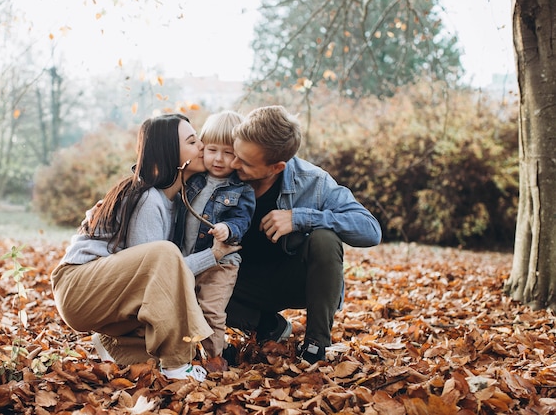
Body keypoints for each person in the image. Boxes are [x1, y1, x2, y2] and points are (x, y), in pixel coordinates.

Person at [49, 113, 239, 382]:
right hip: (78, 287)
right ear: (171, 152)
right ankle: (176, 366)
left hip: (99, 291)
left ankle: (117, 346)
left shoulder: (174, 200)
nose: (202, 148)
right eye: (193, 141)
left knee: (165, 268)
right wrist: (214, 255)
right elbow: (157, 276)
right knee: (164, 254)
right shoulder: (148, 198)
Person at [224, 105, 382, 364]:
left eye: (245, 162)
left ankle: (315, 345)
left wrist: (300, 218)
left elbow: (370, 230)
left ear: (276, 167)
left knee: (325, 239)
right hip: (237, 285)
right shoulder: (223, 172)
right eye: (235, 153)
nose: (233, 163)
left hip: (293, 281)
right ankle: (267, 325)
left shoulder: (313, 181)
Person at [174, 111, 256, 359]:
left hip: (221, 263)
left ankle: (214, 357)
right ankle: (185, 354)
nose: (219, 159)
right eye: (212, 150)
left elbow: (242, 219)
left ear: (239, 155)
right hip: (188, 257)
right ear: (202, 148)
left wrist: (228, 229)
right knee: (183, 308)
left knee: (211, 310)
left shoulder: (241, 189)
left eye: (228, 152)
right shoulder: (192, 179)